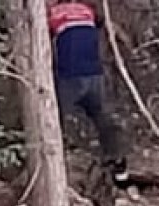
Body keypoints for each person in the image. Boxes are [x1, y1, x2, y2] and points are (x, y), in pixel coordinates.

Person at [48, 0, 129, 186]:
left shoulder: (54, 14)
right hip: (94, 74)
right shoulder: (89, 11)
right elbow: (100, 22)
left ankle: (58, 169)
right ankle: (119, 166)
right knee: (103, 117)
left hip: (70, 76)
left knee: (56, 119)